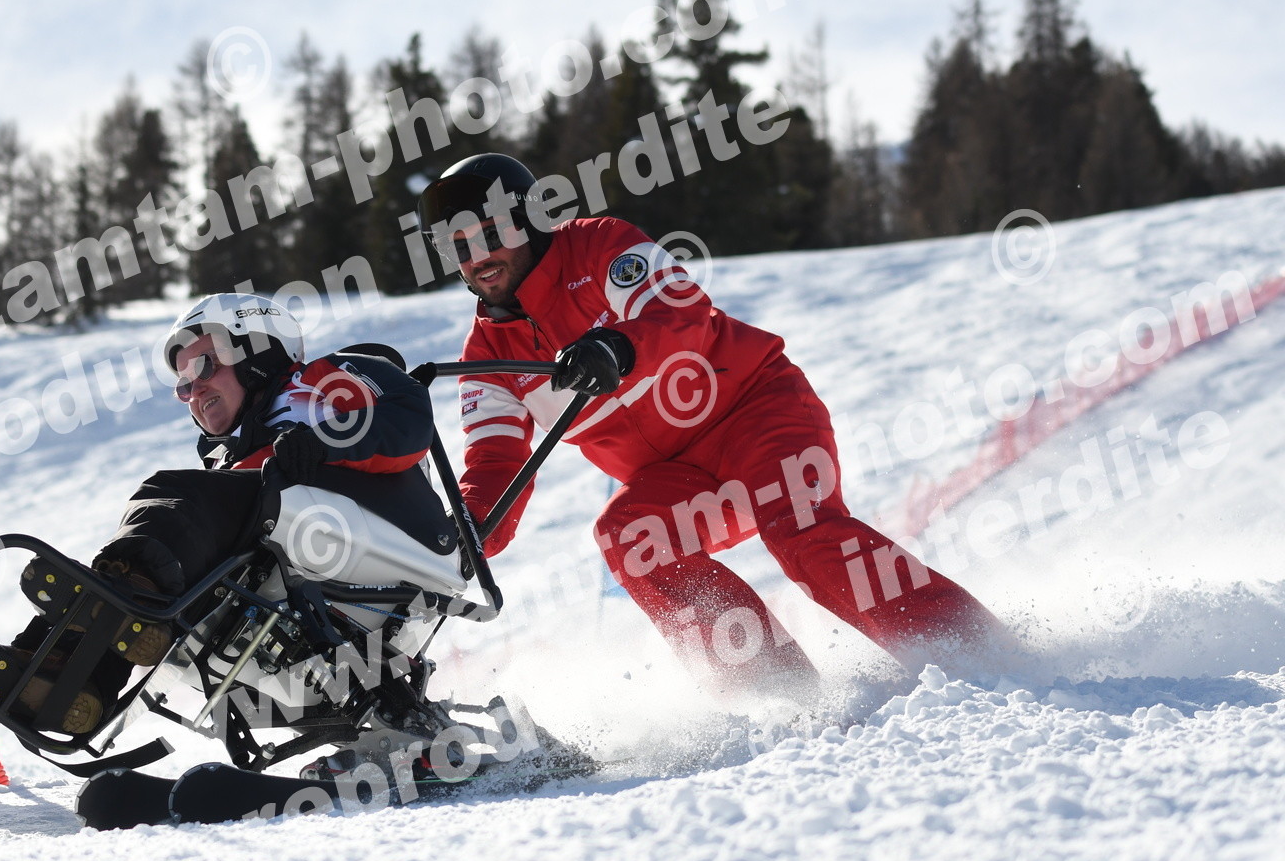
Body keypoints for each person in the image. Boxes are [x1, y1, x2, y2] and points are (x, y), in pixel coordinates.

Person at [419, 153, 1012, 692]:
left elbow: (681, 314)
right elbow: (494, 465)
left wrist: (618, 346)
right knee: (630, 536)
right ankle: (781, 694)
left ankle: (975, 654)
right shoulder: (485, 359)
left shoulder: (600, 246)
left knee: (801, 532)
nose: (478, 258)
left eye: (491, 234)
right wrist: (460, 539)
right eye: (458, 246)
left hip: (757, 412)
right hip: (678, 477)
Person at [0, 293, 438, 734]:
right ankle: (65, 677)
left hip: (384, 536)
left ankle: (126, 600)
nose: (194, 389)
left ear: (259, 352)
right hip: (297, 558)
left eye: (204, 365)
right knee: (172, 586)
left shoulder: (316, 383)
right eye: (183, 384)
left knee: (167, 497)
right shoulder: (231, 457)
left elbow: (408, 413)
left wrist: (323, 441)